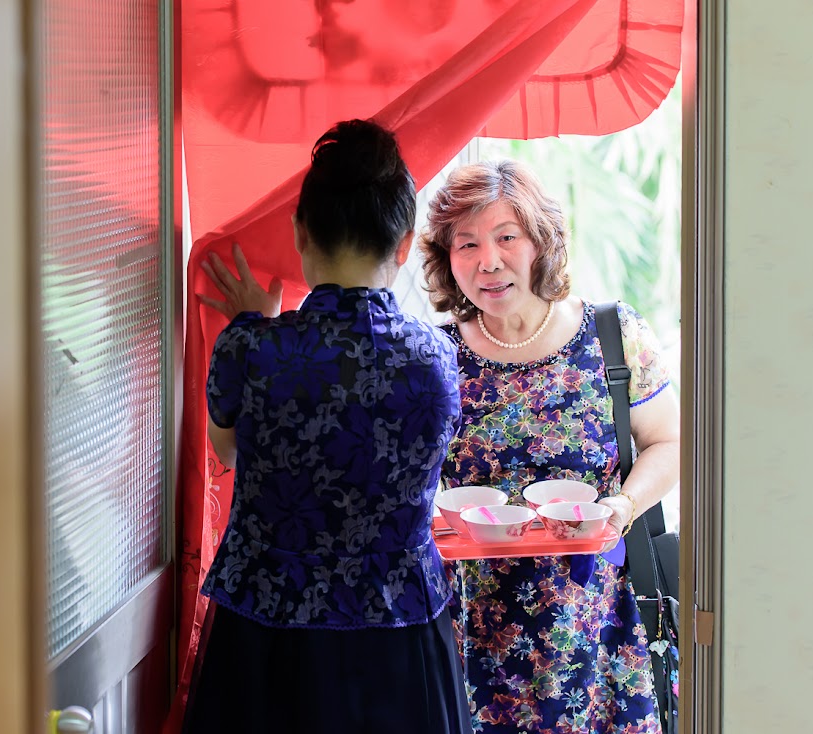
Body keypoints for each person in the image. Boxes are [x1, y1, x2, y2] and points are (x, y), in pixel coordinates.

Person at [183, 119, 472, 734]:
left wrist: (252, 325)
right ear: (403, 244)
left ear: (300, 231)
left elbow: (227, 453)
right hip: (400, 635)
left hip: (267, 634)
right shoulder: (438, 359)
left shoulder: (252, 350)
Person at [419, 160, 681, 733]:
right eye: (467, 244)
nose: (489, 261)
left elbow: (668, 442)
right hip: (472, 637)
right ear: (447, 259)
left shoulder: (612, 335)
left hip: (598, 630)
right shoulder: (434, 356)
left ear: (541, 242)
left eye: (506, 237)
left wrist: (624, 505)